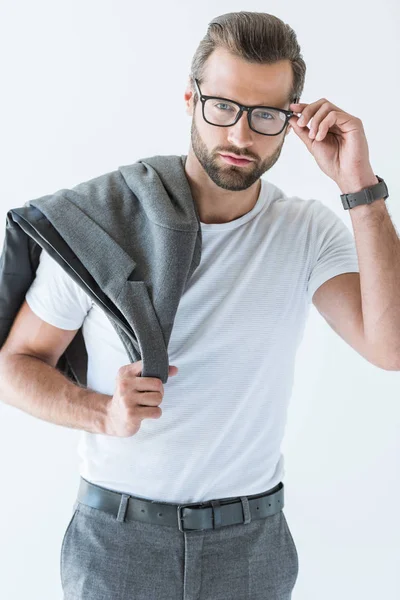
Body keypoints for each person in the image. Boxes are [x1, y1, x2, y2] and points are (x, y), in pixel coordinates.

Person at [0, 11, 362, 600]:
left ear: (292, 120)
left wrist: (360, 186)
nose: (241, 136)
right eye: (223, 107)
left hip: (252, 543)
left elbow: (390, 345)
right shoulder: (103, 224)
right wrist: (103, 414)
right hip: (118, 541)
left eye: (266, 115)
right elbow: (14, 364)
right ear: (191, 99)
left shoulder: (304, 232)